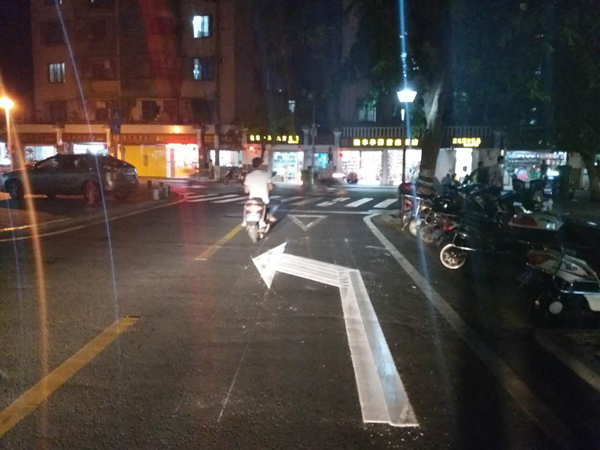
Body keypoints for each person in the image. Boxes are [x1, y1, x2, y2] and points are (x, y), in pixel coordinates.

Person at [243, 157, 275, 224]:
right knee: (273, 204)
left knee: (246, 206)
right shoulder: (266, 174)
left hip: (252, 199)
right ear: (260, 165)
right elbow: (271, 188)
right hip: (264, 199)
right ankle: (268, 215)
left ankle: (244, 221)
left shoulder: (248, 176)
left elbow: (246, 191)